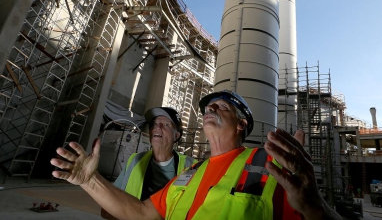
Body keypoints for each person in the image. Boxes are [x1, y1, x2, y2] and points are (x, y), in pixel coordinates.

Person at [51, 90, 342, 220]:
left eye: (222, 107)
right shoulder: (190, 175)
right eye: (208, 108)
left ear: (241, 125)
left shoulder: (268, 165)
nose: (211, 110)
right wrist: (89, 180)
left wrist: (316, 208)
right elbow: (140, 213)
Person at [101, 107, 196, 219]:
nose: (157, 127)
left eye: (166, 124)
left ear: (176, 136)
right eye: (154, 124)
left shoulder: (191, 167)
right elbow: (109, 205)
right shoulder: (136, 160)